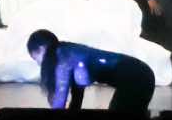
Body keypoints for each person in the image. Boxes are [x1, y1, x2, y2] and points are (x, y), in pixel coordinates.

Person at [26, 28, 156, 114]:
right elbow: (77, 96)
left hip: (136, 77)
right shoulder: (69, 51)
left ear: (41, 48)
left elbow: (59, 102)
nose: (39, 64)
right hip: (141, 73)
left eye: (36, 58)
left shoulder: (62, 57)